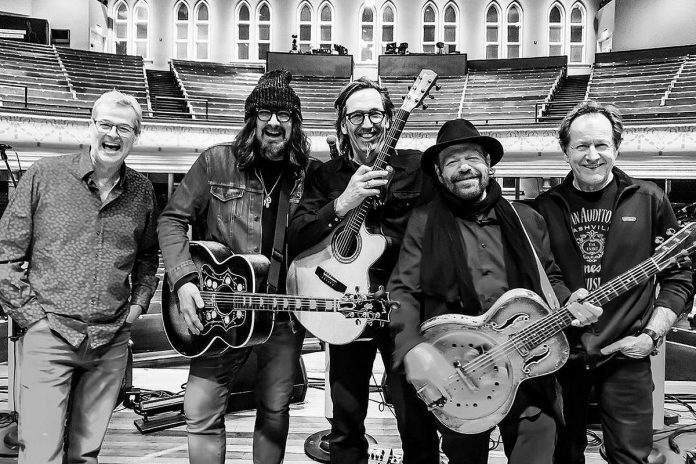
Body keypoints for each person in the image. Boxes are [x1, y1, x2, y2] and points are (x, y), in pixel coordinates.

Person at [388, 118, 603, 464]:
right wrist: (411, 349)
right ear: (440, 175)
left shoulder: (526, 218)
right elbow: (403, 291)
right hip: (458, 368)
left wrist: (568, 300)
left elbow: (550, 276)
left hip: (524, 363)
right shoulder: (424, 221)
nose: (463, 168)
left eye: (471, 157)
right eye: (451, 162)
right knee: (464, 456)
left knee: (538, 444)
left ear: (488, 164)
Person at [157, 69, 310, 464]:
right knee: (200, 408)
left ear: (295, 123)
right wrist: (184, 279)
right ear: (251, 117)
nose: (274, 122)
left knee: (275, 406)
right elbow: (172, 219)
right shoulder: (215, 162)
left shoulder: (307, 175)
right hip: (220, 310)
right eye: (264, 112)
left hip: (281, 316)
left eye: (284, 115)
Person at [0, 90, 159, 464]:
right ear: (90, 127)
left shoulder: (142, 191)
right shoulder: (44, 175)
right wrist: (33, 320)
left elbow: (147, 257)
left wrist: (136, 308)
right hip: (50, 333)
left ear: (136, 136)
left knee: (85, 455)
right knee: (41, 454)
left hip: (110, 340)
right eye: (105, 124)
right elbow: (5, 254)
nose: (113, 135)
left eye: (125, 128)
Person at [533, 101, 693, 464]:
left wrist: (649, 336)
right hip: (560, 356)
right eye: (581, 146)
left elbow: (679, 276)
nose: (592, 156)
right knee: (561, 455)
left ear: (617, 147)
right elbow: (539, 276)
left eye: (602, 145)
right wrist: (563, 298)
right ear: (565, 150)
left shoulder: (649, 199)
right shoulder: (544, 208)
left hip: (626, 354)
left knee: (631, 457)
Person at [288, 77, 435, 463]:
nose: (367, 123)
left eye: (375, 113)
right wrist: (342, 201)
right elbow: (297, 235)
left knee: (416, 417)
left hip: (404, 310)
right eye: (357, 115)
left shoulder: (418, 167)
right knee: (346, 420)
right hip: (346, 305)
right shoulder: (325, 175)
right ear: (342, 124)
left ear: (390, 118)